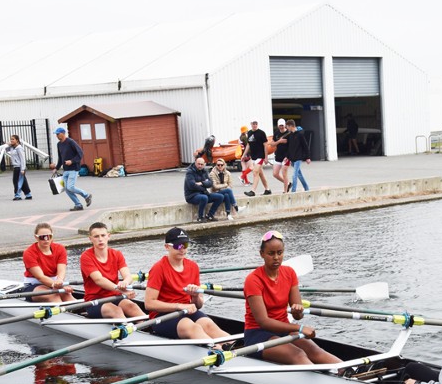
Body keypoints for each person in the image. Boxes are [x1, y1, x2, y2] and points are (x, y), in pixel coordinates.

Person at [243, 230, 342, 368]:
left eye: (280, 252)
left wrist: (297, 312)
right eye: (271, 254)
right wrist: (300, 328)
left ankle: (350, 370)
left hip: (283, 329)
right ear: (262, 254)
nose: (276, 257)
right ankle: (325, 383)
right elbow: (263, 322)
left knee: (315, 351)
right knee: (298, 354)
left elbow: (298, 315)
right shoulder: (253, 280)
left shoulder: (289, 273)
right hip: (258, 334)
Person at [144, 227, 230, 342]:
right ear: (167, 247)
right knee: (193, 327)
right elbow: (149, 304)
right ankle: (218, 351)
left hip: (187, 311)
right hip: (162, 316)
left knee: (209, 325)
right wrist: (178, 306)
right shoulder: (158, 268)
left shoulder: (193, 266)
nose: (182, 249)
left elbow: (198, 305)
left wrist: (195, 296)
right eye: (178, 245)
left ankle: (237, 350)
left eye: (185, 245)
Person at [80, 222, 144, 319]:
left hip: (115, 295)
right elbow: (99, 280)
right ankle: (128, 330)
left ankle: (148, 329)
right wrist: (120, 290)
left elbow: (128, 276)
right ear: (91, 239)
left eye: (103, 235)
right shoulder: (86, 257)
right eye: (96, 236)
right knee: (116, 310)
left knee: (133, 307)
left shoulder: (117, 254)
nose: (100, 239)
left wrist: (125, 283)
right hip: (94, 300)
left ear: (108, 236)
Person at [22, 223, 75, 303]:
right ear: (36, 237)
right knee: (53, 296)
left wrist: (60, 281)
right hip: (33, 285)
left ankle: (83, 311)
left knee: (67, 295)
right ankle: (63, 313)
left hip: (55, 283)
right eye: (42, 237)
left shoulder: (60, 249)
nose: (46, 239)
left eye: (49, 236)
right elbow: (40, 277)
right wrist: (57, 285)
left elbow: (61, 270)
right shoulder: (29, 253)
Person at [50, 127, 92, 211]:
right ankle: (78, 204)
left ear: (63, 133)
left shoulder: (71, 142)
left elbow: (80, 153)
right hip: (66, 170)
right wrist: (57, 168)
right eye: (56, 134)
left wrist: (72, 161)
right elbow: (60, 158)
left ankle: (86, 195)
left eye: (58, 134)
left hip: (74, 168)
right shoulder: (59, 144)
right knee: (66, 188)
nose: (57, 136)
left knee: (70, 187)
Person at [184, 157, 223, 222]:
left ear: (204, 164)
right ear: (195, 163)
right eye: (198, 164)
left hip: (203, 193)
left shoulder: (204, 171)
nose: (200, 166)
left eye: (201, 164)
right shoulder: (190, 172)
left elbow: (210, 183)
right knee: (204, 198)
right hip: (191, 196)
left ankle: (210, 215)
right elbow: (192, 185)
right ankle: (200, 217)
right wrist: (204, 186)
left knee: (220, 197)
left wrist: (202, 183)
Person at [244, 121, 272, 197]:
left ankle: (252, 191)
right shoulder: (249, 133)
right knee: (261, 174)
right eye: (253, 124)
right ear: (251, 124)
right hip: (253, 157)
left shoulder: (261, 133)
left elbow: (265, 145)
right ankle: (267, 189)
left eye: (256, 124)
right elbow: (248, 144)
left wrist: (266, 157)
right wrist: (244, 155)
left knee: (255, 172)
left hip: (260, 156)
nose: (255, 125)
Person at [284, 120, 311, 192]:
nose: (287, 129)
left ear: (291, 126)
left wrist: (307, 157)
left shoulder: (300, 135)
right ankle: (307, 188)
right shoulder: (290, 135)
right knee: (299, 175)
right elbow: (289, 147)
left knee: (294, 175)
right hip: (292, 158)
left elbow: (305, 146)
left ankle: (293, 191)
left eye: (287, 127)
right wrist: (287, 157)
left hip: (298, 158)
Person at [268, 119, 291, 193]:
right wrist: (279, 141)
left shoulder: (288, 133)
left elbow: (292, 146)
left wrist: (288, 156)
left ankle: (285, 191)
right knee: (275, 174)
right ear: (278, 125)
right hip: (278, 156)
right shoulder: (277, 133)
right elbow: (272, 144)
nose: (281, 127)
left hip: (286, 157)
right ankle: (287, 183)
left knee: (284, 173)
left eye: (282, 125)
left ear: (285, 125)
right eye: (280, 125)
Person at [7, 134, 32, 201]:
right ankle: (28, 194)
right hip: (15, 167)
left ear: (17, 140)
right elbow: (6, 151)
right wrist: (8, 145)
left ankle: (17, 195)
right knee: (23, 181)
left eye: (13, 139)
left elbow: (22, 159)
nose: (11, 140)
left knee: (17, 182)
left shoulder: (19, 148)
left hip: (19, 167)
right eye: (11, 139)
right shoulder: (12, 148)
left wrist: (23, 169)